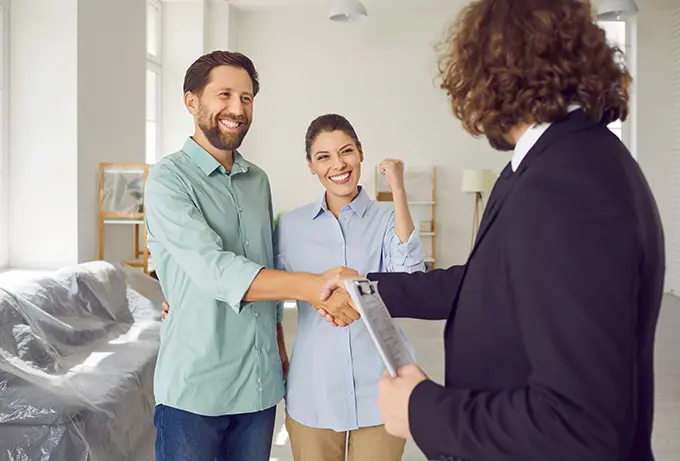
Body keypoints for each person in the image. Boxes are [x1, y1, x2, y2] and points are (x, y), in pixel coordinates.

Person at [319, 1, 665, 461]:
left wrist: (421, 409)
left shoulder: (568, 187)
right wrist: (367, 289)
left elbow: (581, 426)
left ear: (491, 75)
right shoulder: (553, 164)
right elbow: (486, 280)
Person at [144, 51, 358, 461]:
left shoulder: (257, 180)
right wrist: (316, 287)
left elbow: (267, 260)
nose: (236, 109)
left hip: (258, 385)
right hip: (195, 389)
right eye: (224, 95)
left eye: (246, 98)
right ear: (192, 101)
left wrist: (278, 339)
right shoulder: (167, 181)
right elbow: (214, 269)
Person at [275, 114, 425, 461]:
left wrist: (398, 189)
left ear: (360, 153)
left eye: (346, 152)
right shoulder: (290, 226)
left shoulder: (388, 218)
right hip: (314, 388)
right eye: (323, 157)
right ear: (311, 165)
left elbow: (410, 274)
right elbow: (269, 298)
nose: (338, 165)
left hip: (381, 387)